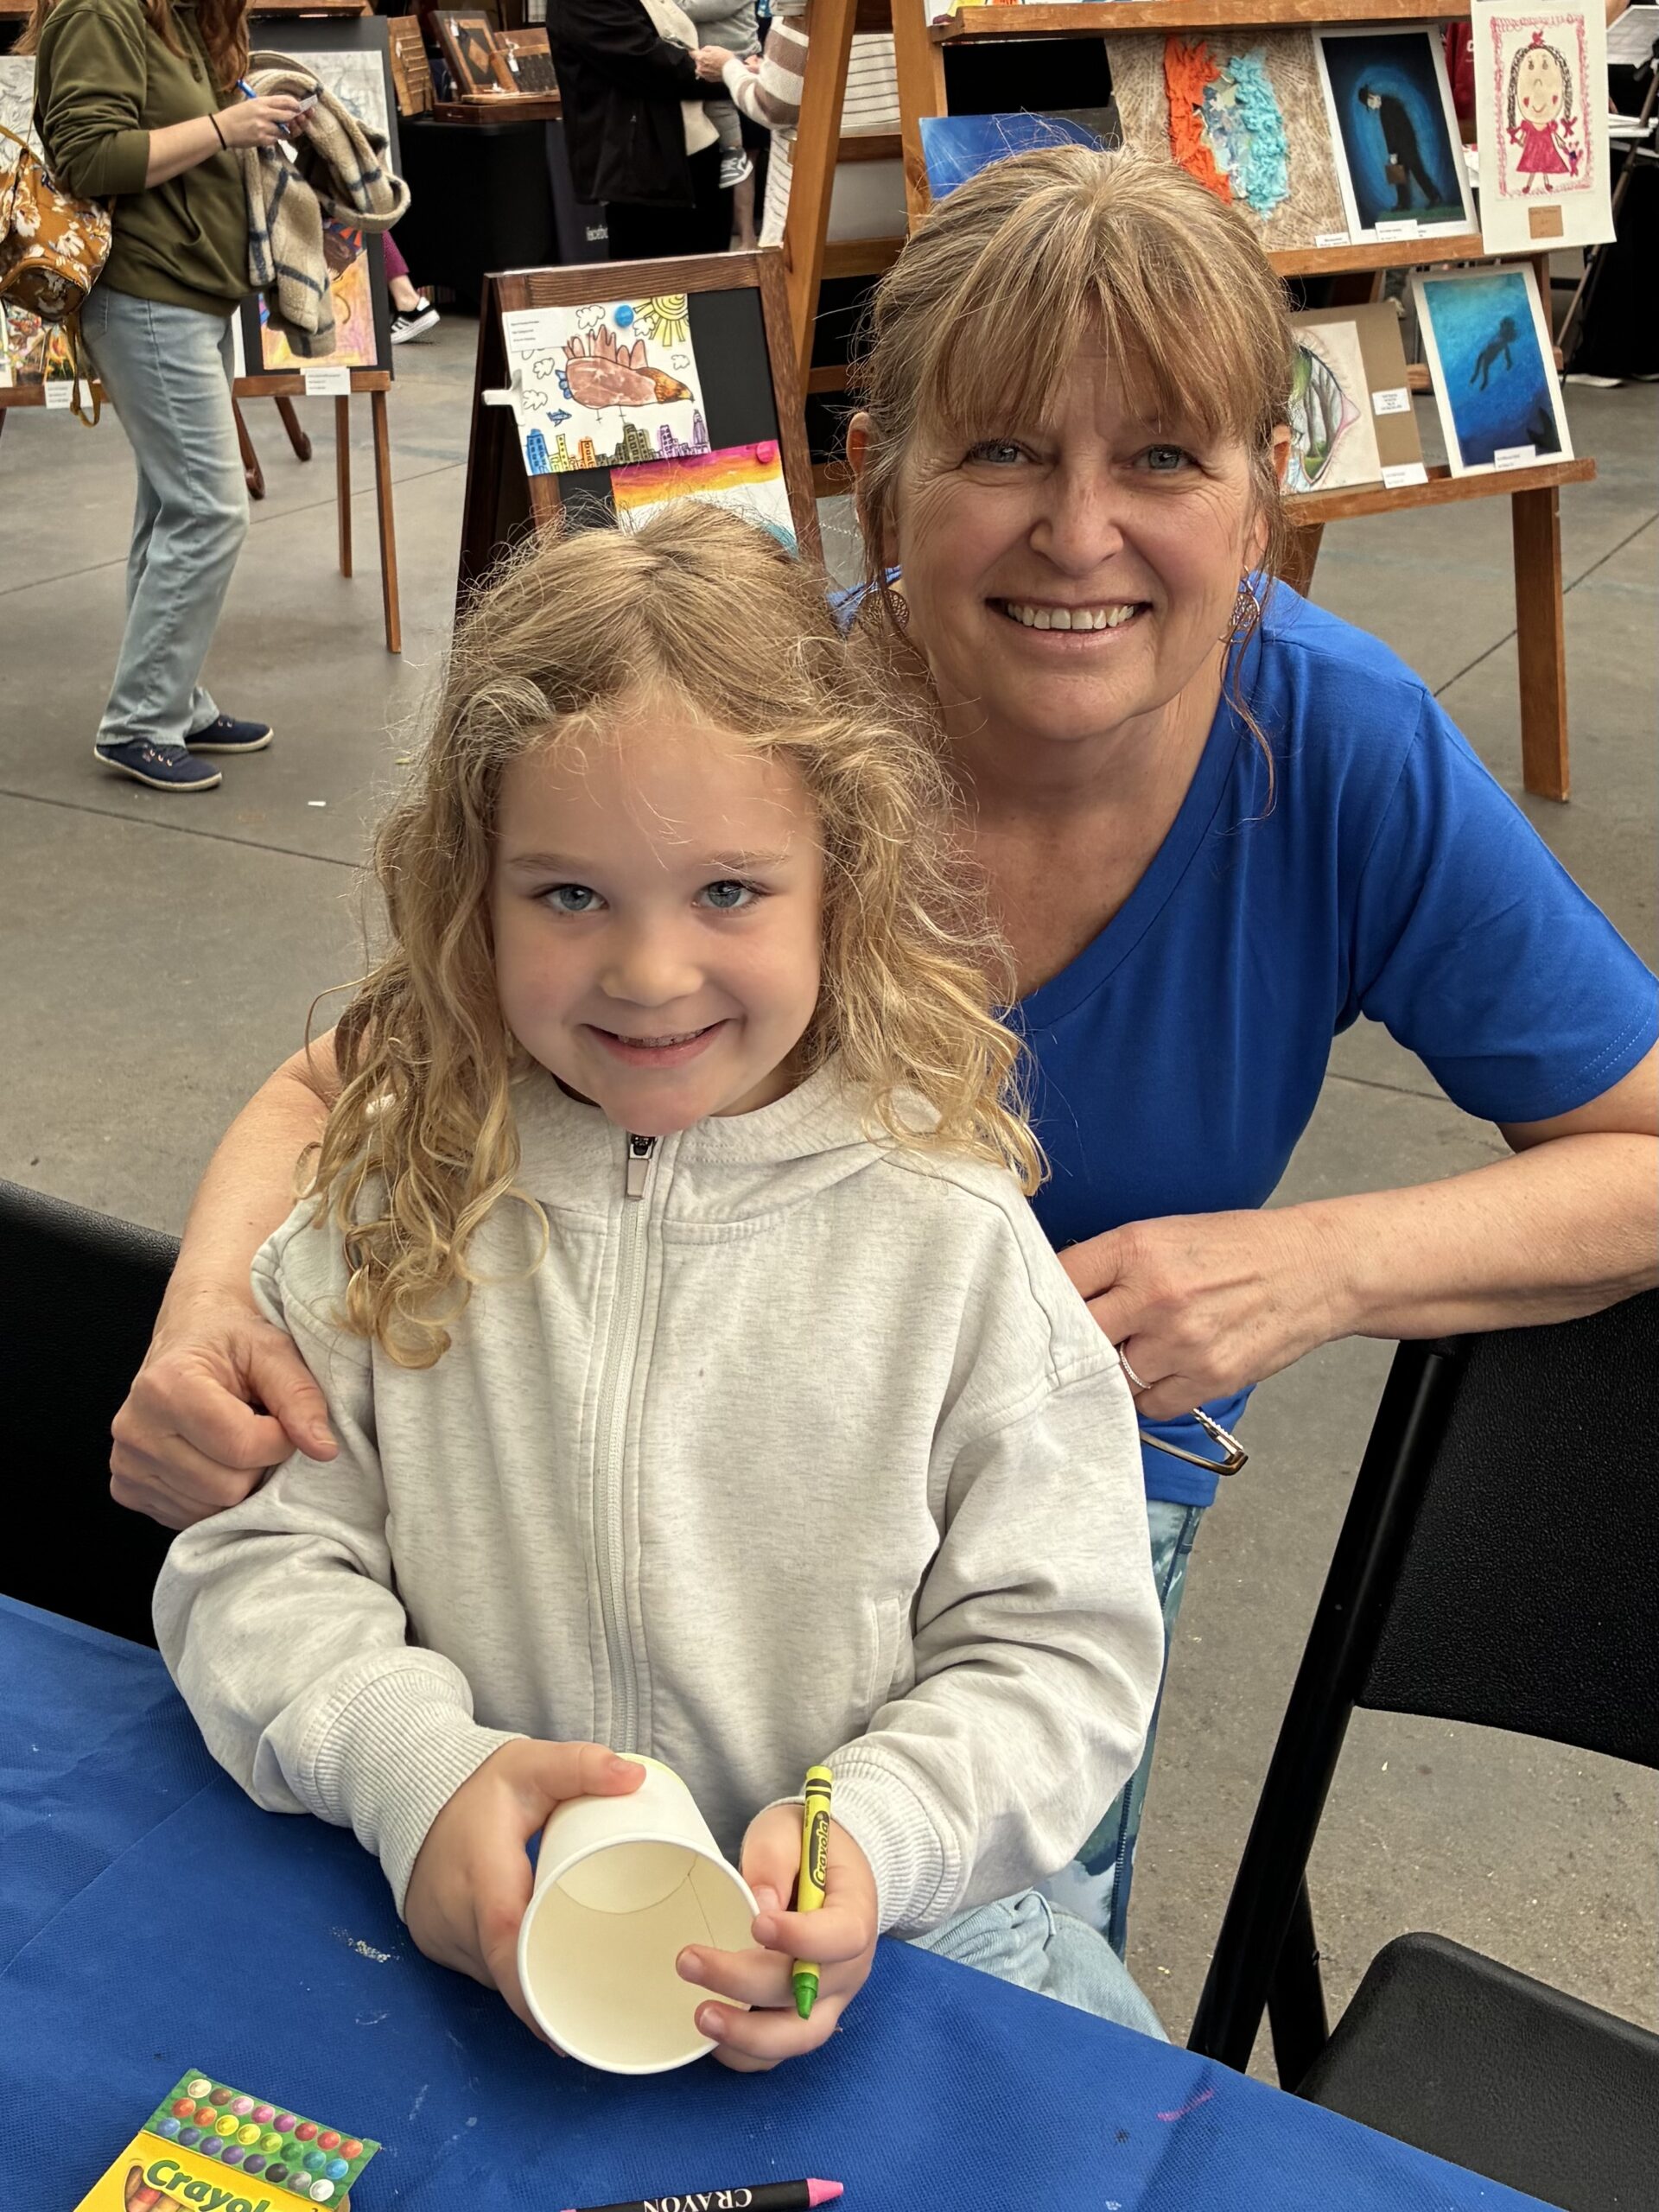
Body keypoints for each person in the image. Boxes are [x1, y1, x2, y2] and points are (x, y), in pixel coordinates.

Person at [112, 149, 1659, 1961]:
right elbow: (378, 1073)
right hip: (595, 1512)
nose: (1079, 532)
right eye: (1004, 450)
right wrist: (213, 1320)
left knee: (1002, 1947)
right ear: (882, 485)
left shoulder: (1340, 750)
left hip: (1040, 1504)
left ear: (1262, 502)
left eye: (1163, 455)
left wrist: (1312, 1263)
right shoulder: (743, 740)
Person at [151, 505, 1168, 2063]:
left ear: (844, 872)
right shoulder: (397, 1189)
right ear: (469, 888)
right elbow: (259, 1564)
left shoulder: (949, 1244)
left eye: (728, 894)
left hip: (906, 1949)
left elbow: (1061, 1649)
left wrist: (875, 1841)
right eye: (569, 896)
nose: (647, 972)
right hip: (459, 1920)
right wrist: (414, 1774)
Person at [29, 0, 304, 792]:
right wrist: (227, 127)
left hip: (186, 293)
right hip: (147, 295)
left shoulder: (169, 17)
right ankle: (140, 722)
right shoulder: (100, 12)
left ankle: (173, 699)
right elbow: (86, 157)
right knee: (210, 509)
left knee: (171, 508)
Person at [550, 0, 733, 261]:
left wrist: (730, 72)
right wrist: (734, 75)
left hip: (697, 152)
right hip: (645, 171)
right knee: (653, 291)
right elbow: (650, 63)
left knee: (708, 285)